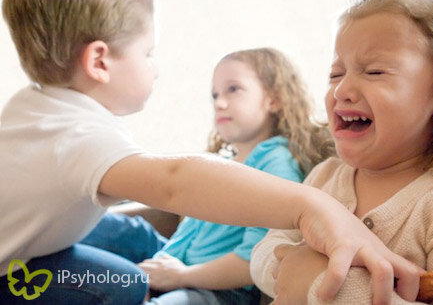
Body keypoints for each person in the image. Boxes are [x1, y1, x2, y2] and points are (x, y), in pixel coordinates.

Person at [0, 0, 422, 304]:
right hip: (11, 271)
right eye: (147, 53)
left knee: (120, 237)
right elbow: (175, 180)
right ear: (99, 61)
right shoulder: (78, 135)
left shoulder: (33, 108)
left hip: (28, 253)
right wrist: (311, 205)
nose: (156, 68)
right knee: (122, 286)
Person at [250, 0, 433, 304]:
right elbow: (265, 249)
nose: (342, 91)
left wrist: (324, 284)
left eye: (374, 71)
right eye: (336, 73)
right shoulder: (325, 176)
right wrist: (289, 267)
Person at [133, 47, 335, 304]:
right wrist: (155, 273)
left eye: (233, 89)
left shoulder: (276, 164)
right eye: (215, 94)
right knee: (125, 231)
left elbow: (254, 257)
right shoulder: (225, 163)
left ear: (273, 100)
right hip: (181, 270)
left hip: (221, 292)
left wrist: (181, 276)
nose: (219, 102)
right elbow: (187, 236)